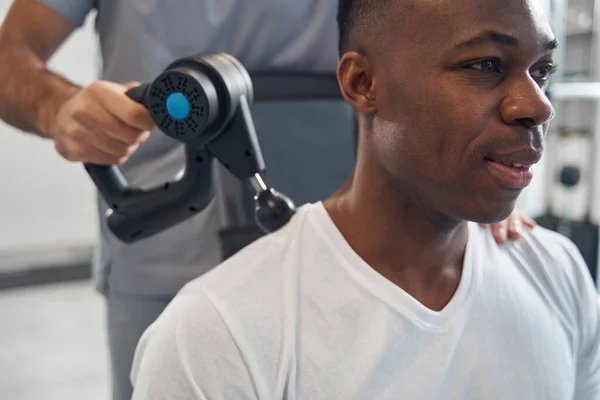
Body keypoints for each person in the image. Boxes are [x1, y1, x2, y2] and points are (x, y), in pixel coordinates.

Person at [0, 0, 538, 398]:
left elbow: (467, 42)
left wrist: (481, 177)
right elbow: (10, 54)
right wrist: (60, 107)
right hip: (162, 240)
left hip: (353, 258)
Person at [129, 0, 600, 398]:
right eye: (485, 65)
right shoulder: (215, 335)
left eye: (542, 71)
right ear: (362, 84)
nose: (538, 105)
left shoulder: (557, 272)